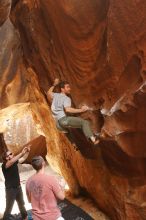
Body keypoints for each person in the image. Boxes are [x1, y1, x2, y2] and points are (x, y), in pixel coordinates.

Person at [47, 79, 100, 145]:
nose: (70, 89)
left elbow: (48, 93)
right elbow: (68, 110)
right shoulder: (66, 98)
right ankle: (92, 139)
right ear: (62, 89)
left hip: (57, 122)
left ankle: (73, 145)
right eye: (67, 87)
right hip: (63, 120)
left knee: (67, 132)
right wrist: (82, 110)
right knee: (84, 123)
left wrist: (54, 84)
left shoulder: (55, 95)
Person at [26, 156, 65, 220]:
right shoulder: (51, 179)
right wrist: (62, 186)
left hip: (37, 218)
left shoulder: (28, 181)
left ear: (33, 166)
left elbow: (29, 200)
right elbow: (62, 197)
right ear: (43, 163)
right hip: (53, 216)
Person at [1, 136, 30, 220]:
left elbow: (23, 158)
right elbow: (13, 160)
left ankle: (25, 218)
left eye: (11, 154)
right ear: (5, 159)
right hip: (10, 190)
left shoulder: (14, 162)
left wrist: (27, 152)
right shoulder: (5, 165)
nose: (10, 156)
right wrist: (22, 152)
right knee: (8, 209)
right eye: (7, 156)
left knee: (22, 205)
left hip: (18, 188)